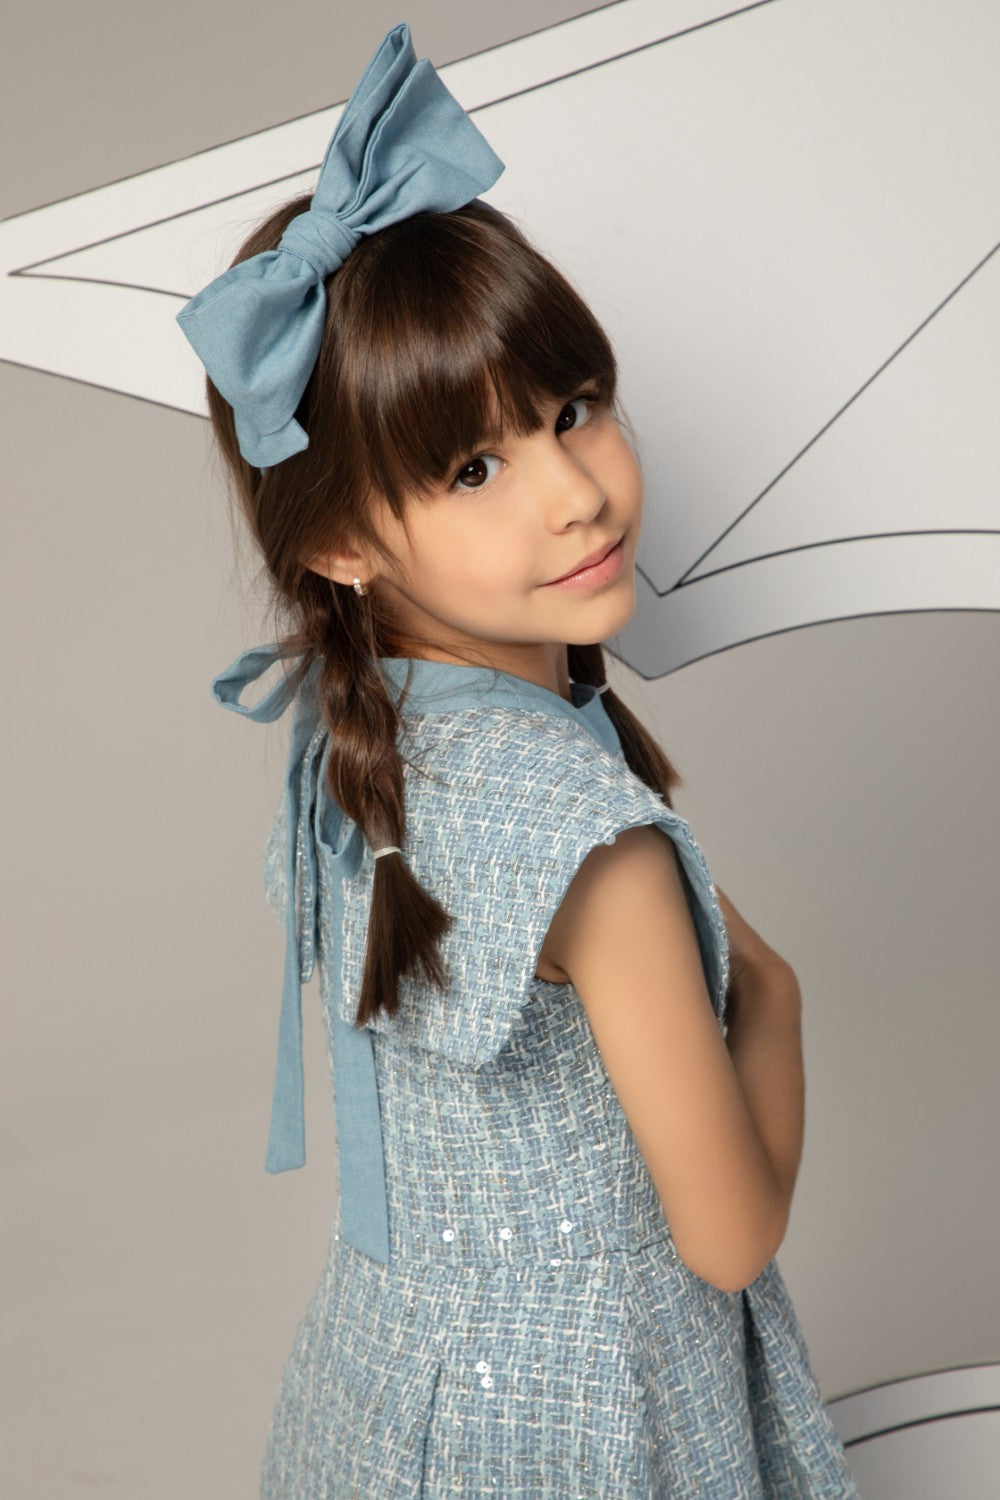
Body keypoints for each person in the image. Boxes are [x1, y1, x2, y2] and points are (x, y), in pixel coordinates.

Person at [178, 22, 860, 1498]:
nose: (574, 493)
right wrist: (780, 1005)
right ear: (340, 542)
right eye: (473, 468)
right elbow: (729, 1237)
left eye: (573, 412)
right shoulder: (593, 846)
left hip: (391, 1395)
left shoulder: (357, 728)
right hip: (593, 1420)